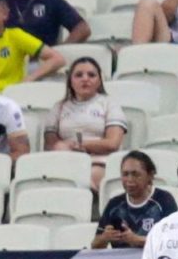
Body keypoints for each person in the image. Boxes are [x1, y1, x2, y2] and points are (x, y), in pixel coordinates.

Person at [44, 56, 127, 193]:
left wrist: (78, 145)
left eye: (91, 75)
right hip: (65, 160)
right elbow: (50, 144)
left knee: (88, 176)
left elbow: (113, 143)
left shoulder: (109, 104)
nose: (85, 79)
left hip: (100, 162)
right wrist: (69, 149)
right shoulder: (58, 107)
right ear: (70, 81)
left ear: (100, 80)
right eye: (78, 75)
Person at [93, 151, 178, 250]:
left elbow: (173, 240)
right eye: (125, 174)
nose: (129, 180)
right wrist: (104, 238)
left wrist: (137, 240)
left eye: (135, 174)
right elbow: (94, 246)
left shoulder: (164, 199)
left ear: (150, 175)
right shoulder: (114, 204)